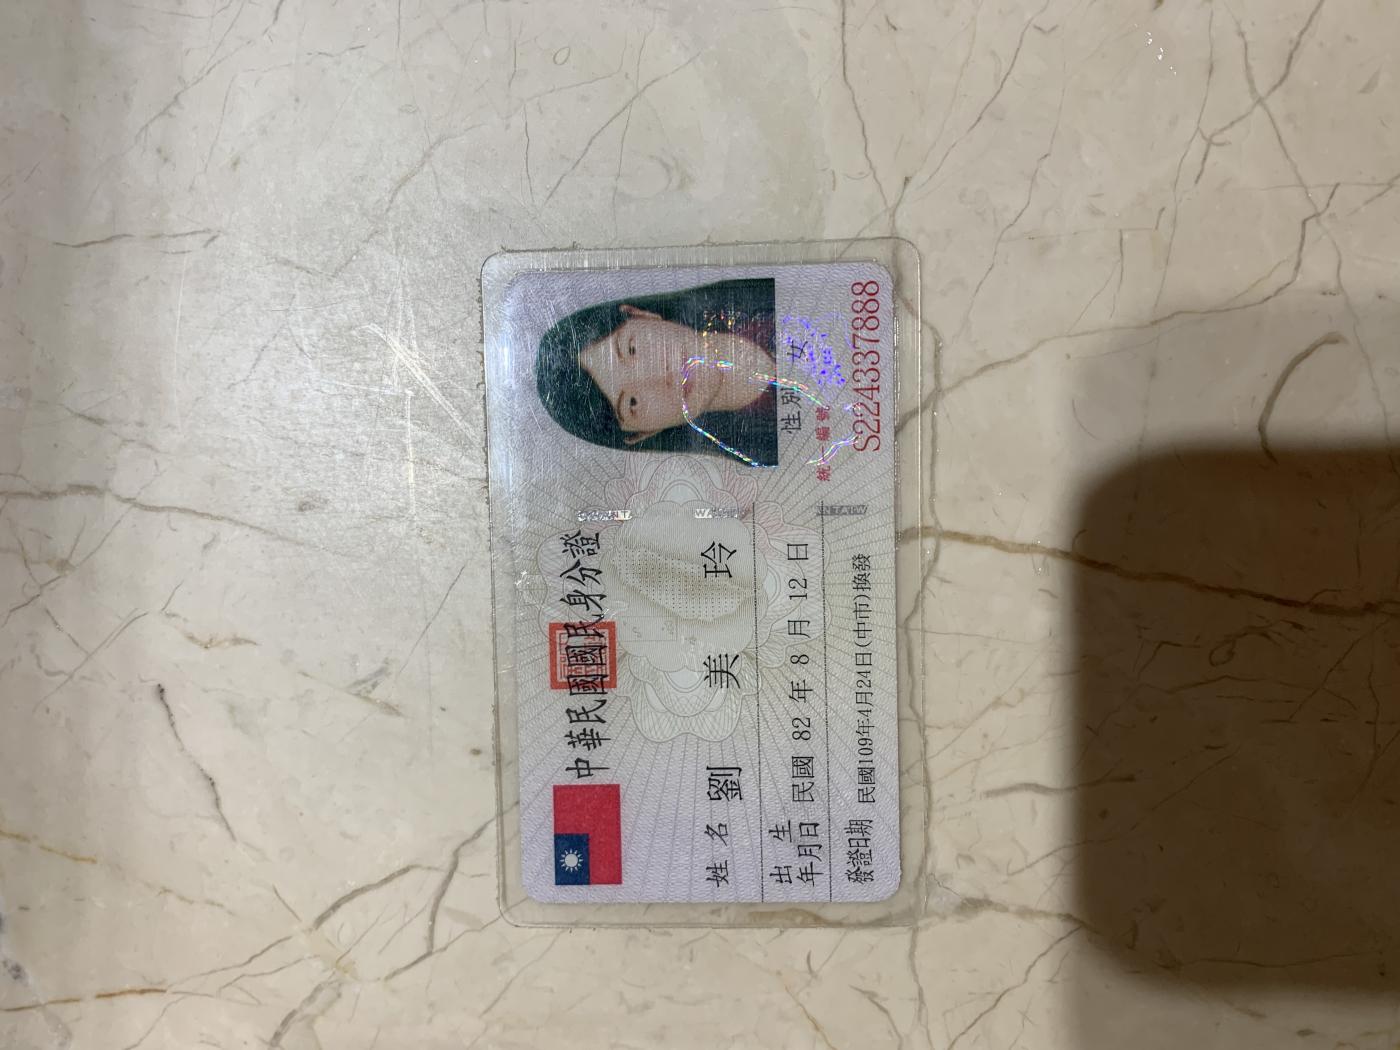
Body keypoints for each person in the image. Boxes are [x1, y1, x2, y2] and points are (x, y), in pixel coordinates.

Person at [535, 278, 778, 466]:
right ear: (643, 434)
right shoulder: (760, 456)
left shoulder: (764, 292)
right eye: (632, 402)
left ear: (642, 314)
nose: (662, 377)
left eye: (631, 349)